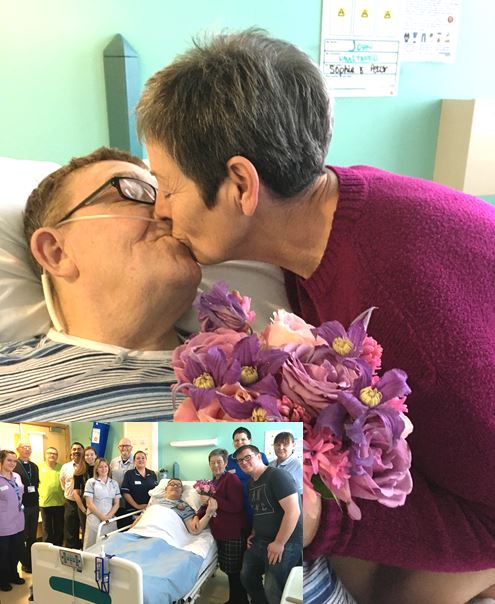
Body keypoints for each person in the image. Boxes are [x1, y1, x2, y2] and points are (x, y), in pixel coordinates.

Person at [136, 29, 495, 603]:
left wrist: (326, 522)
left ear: (241, 184)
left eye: (167, 187)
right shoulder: (326, 221)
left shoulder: (400, 298)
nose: (159, 211)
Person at [0, 146, 201, 422]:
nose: (169, 211)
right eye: (134, 191)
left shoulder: (249, 363)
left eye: (169, 195)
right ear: (56, 252)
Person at [234, 444, 302, 604]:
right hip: (260, 540)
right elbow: (259, 511)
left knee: (273, 587)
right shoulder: (250, 484)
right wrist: (253, 533)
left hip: (286, 542)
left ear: (259, 456)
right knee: (247, 576)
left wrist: (279, 542)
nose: (243, 462)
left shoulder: (277, 475)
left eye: (247, 457)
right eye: (240, 461)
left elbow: (293, 511)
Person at [196, 448, 249, 604]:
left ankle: (240, 600)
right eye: (212, 462)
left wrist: (213, 500)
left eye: (219, 462)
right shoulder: (213, 482)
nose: (216, 465)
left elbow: (236, 506)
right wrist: (197, 515)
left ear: (226, 463)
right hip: (221, 532)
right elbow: (207, 505)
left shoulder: (231, 479)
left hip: (232, 532)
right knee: (230, 570)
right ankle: (235, 599)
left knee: (235, 572)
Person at [142, 478, 217, 535]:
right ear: (166, 489)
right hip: (142, 531)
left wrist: (208, 514)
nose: (175, 486)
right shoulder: (155, 503)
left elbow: (195, 529)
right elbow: (141, 518)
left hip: (161, 534)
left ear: (181, 491)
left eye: (178, 485)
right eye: (172, 484)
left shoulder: (184, 507)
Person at [225, 427, 269, 524]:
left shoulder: (259, 456)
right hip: (237, 503)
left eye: (243, 439)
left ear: (250, 440)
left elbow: (267, 477)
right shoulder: (227, 461)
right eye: (236, 440)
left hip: (258, 501)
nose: (239, 442)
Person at [0, 450, 26, 592]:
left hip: (18, 520)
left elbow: (20, 494)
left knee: (16, 550)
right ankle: (3, 580)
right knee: (3, 553)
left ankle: (13, 575)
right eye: (9, 460)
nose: (12, 463)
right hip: (3, 523)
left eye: (14, 461)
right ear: (1, 461)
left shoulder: (16, 476)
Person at [83, 457, 121, 549]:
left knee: (110, 544)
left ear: (108, 468)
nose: (104, 469)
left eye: (105, 466)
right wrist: (102, 517)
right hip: (95, 516)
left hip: (110, 517)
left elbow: (117, 503)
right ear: (96, 469)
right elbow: (89, 504)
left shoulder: (114, 483)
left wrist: (108, 517)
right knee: (92, 544)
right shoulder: (91, 482)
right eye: (100, 467)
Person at [14, 441, 39, 574]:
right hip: (21, 508)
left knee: (32, 536)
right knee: (23, 535)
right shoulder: (14, 465)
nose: (27, 449)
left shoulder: (34, 466)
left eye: (29, 447)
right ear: (18, 449)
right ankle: (24, 562)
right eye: (24, 447)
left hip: (34, 505)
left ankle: (31, 560)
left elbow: (36, 484)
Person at [120, 450, 157, 526]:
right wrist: (137, 506)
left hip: (149, 509)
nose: (141, 460)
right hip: (133, 510)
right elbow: (125, 493)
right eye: (138, 458)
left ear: (146, 460)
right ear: (134, 461)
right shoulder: (129, 474)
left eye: (143, 458)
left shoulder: (152, 474)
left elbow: (156, 491)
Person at [38, 446, 65, 546]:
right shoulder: (39, 468)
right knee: (47, 528)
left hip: (60, 503)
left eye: (54, 454)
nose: (52, 455)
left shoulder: (62, 468)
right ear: (45, 455)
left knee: (59, 528)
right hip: (45, 504)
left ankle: (58, 547)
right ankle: (47, 549)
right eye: (50, 453)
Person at [60, 441, 84, 549]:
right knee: (70, 529)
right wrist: (70, 493)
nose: (76, 451)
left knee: (85, 528)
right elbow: (62, 482)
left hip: (84, 502)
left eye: (79, 449)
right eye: (74, 449)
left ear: (83, 451)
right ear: (71, 452)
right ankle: (72, 551)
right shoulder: (65, 467)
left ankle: (85, 550)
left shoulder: (86, 466)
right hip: (70, 502)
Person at [73, 446, 97, 541]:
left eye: (92, 454)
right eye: (87, 455)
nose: (89, 457)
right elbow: (76, 493)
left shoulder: (101, 469)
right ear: (84, 457)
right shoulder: (79, 471)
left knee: (98, 530)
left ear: (96, 456)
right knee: (86, 531)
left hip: (99, 504)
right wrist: (83, 509)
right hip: (85, 505)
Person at [110, 437, 135, 528]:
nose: (124, 448)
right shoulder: (113, 462)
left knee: (130, 525)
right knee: (119, 524)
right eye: (121, 446)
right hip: (117, 500)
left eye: (127, 446)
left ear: (131, 447)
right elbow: (109, 479)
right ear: (118, 448)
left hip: (131, 500)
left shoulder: (136, 461)